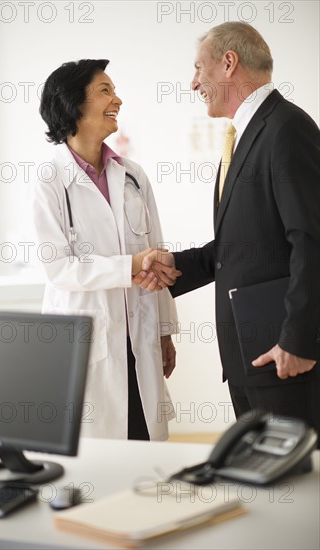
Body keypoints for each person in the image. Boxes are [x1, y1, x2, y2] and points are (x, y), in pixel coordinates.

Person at [136, 22, 320, 443]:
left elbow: (311, 240)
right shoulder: (248, 135)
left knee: (297, 489)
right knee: (266, 485)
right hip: (251, 354)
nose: (193, 82)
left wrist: (298, 338)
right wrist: (177, 265)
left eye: (199, 69)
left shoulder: (286, 129)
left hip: (283, 354)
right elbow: (245, 243)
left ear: (229, 63)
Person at [31, 59, 180, 441]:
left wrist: (165, 331)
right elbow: (59, 269)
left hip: (140, 338)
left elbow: (157, 253)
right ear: (73, 104)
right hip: (88, 341)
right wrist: (128, 266)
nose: (118, 100)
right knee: (99, 454)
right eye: (105, 91)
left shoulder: (132, 174)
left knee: (146, 446)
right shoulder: (50, 179)